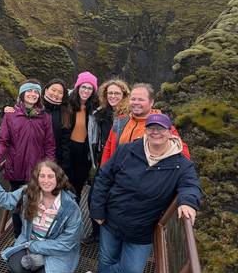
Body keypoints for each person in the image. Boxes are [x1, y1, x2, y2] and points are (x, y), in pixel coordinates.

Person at [79, 114, 201, 273]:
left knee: (132, 270)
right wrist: (97, 210)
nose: (156, 132)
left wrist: (188, 202)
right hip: (112, 218)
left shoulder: (181, 164)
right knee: (107, 260)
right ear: (146, 130)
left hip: (142, 227)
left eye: (161, 128)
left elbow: (190, 185)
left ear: (170, 132)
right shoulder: (128, 150)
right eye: (151, 128)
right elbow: (104, 177)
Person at [0, 160, 82, 273]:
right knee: (15, 269)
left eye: (50, 176)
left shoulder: (70, 207)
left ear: (58, 178)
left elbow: (67, 243)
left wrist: (35, 247)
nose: (46, 181)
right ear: (36, 178)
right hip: (29, 243)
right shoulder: (29, 193)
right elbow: (7, 200)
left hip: (57, 251)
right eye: (42, 176)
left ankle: (44, 272)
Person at [0, 80, 56, 237]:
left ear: (39, 96)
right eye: (29, 91)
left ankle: (33, 239)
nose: (32, 94)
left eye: (35, 92)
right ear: (22, 94)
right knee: (17, 206)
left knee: (35, 207)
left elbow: (49, 145)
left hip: (37, 171)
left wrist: (50, 168)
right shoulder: (11, 116)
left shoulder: (44, 117)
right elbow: (2, 141)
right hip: (16, 170)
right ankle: (19, 239)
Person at [82, 78, 131, 244]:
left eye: (117, 93)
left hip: (122, 166)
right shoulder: (99, 114)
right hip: (102, 163)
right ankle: (96, 234)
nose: (113, 96)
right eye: (110, 93)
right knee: (93, 199)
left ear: (124, 95)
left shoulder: (130, 116)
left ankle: (111, 237)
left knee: (115, 201)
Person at [101, 83, 190, 165]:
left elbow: (181, 150)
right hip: (118, 178)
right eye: (133, 99)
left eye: (141, 99)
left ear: (151, 102)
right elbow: (108, 149)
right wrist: (104, 176)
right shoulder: (120, 122)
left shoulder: (161, 124)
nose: (136, 102)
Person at [65, 71, 99, 204]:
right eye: (83, 87)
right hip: (67, 147)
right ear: (78, 87)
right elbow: (43, 100)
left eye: (90, 88)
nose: (86, 90)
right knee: (63, 182)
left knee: (78, 184)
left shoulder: (95, 107)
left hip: (85, 151)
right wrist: (8, 109)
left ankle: (74, 212)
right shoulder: (66, 101)